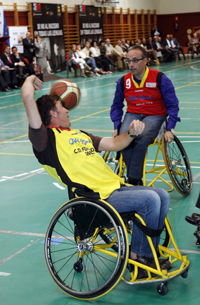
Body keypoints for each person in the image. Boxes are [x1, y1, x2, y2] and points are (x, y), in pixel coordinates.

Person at [21, 74, 171, 273]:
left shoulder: (80, 135)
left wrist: (132, 132)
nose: (68, 110)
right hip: (93, 198)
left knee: (162, 195)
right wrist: (30, 79)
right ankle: (139, 256)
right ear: (52, 114)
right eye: (63, 107)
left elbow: (116, 144)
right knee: (150, 199)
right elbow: (27, 97)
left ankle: (145, 251)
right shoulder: (44, 141)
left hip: (114, 189)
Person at [110, 45, 180, 186]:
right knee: (124, 138)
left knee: (141, 139)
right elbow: (116, 106)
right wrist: (117, 125)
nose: (131, 64)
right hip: (133, 113)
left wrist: (170, 128)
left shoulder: (160, 79)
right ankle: (135, 178)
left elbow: (173, 105)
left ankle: (134, 180)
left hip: (156, 115)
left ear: (146, 60)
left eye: (135, 60)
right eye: (128, 61)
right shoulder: (124, 81)